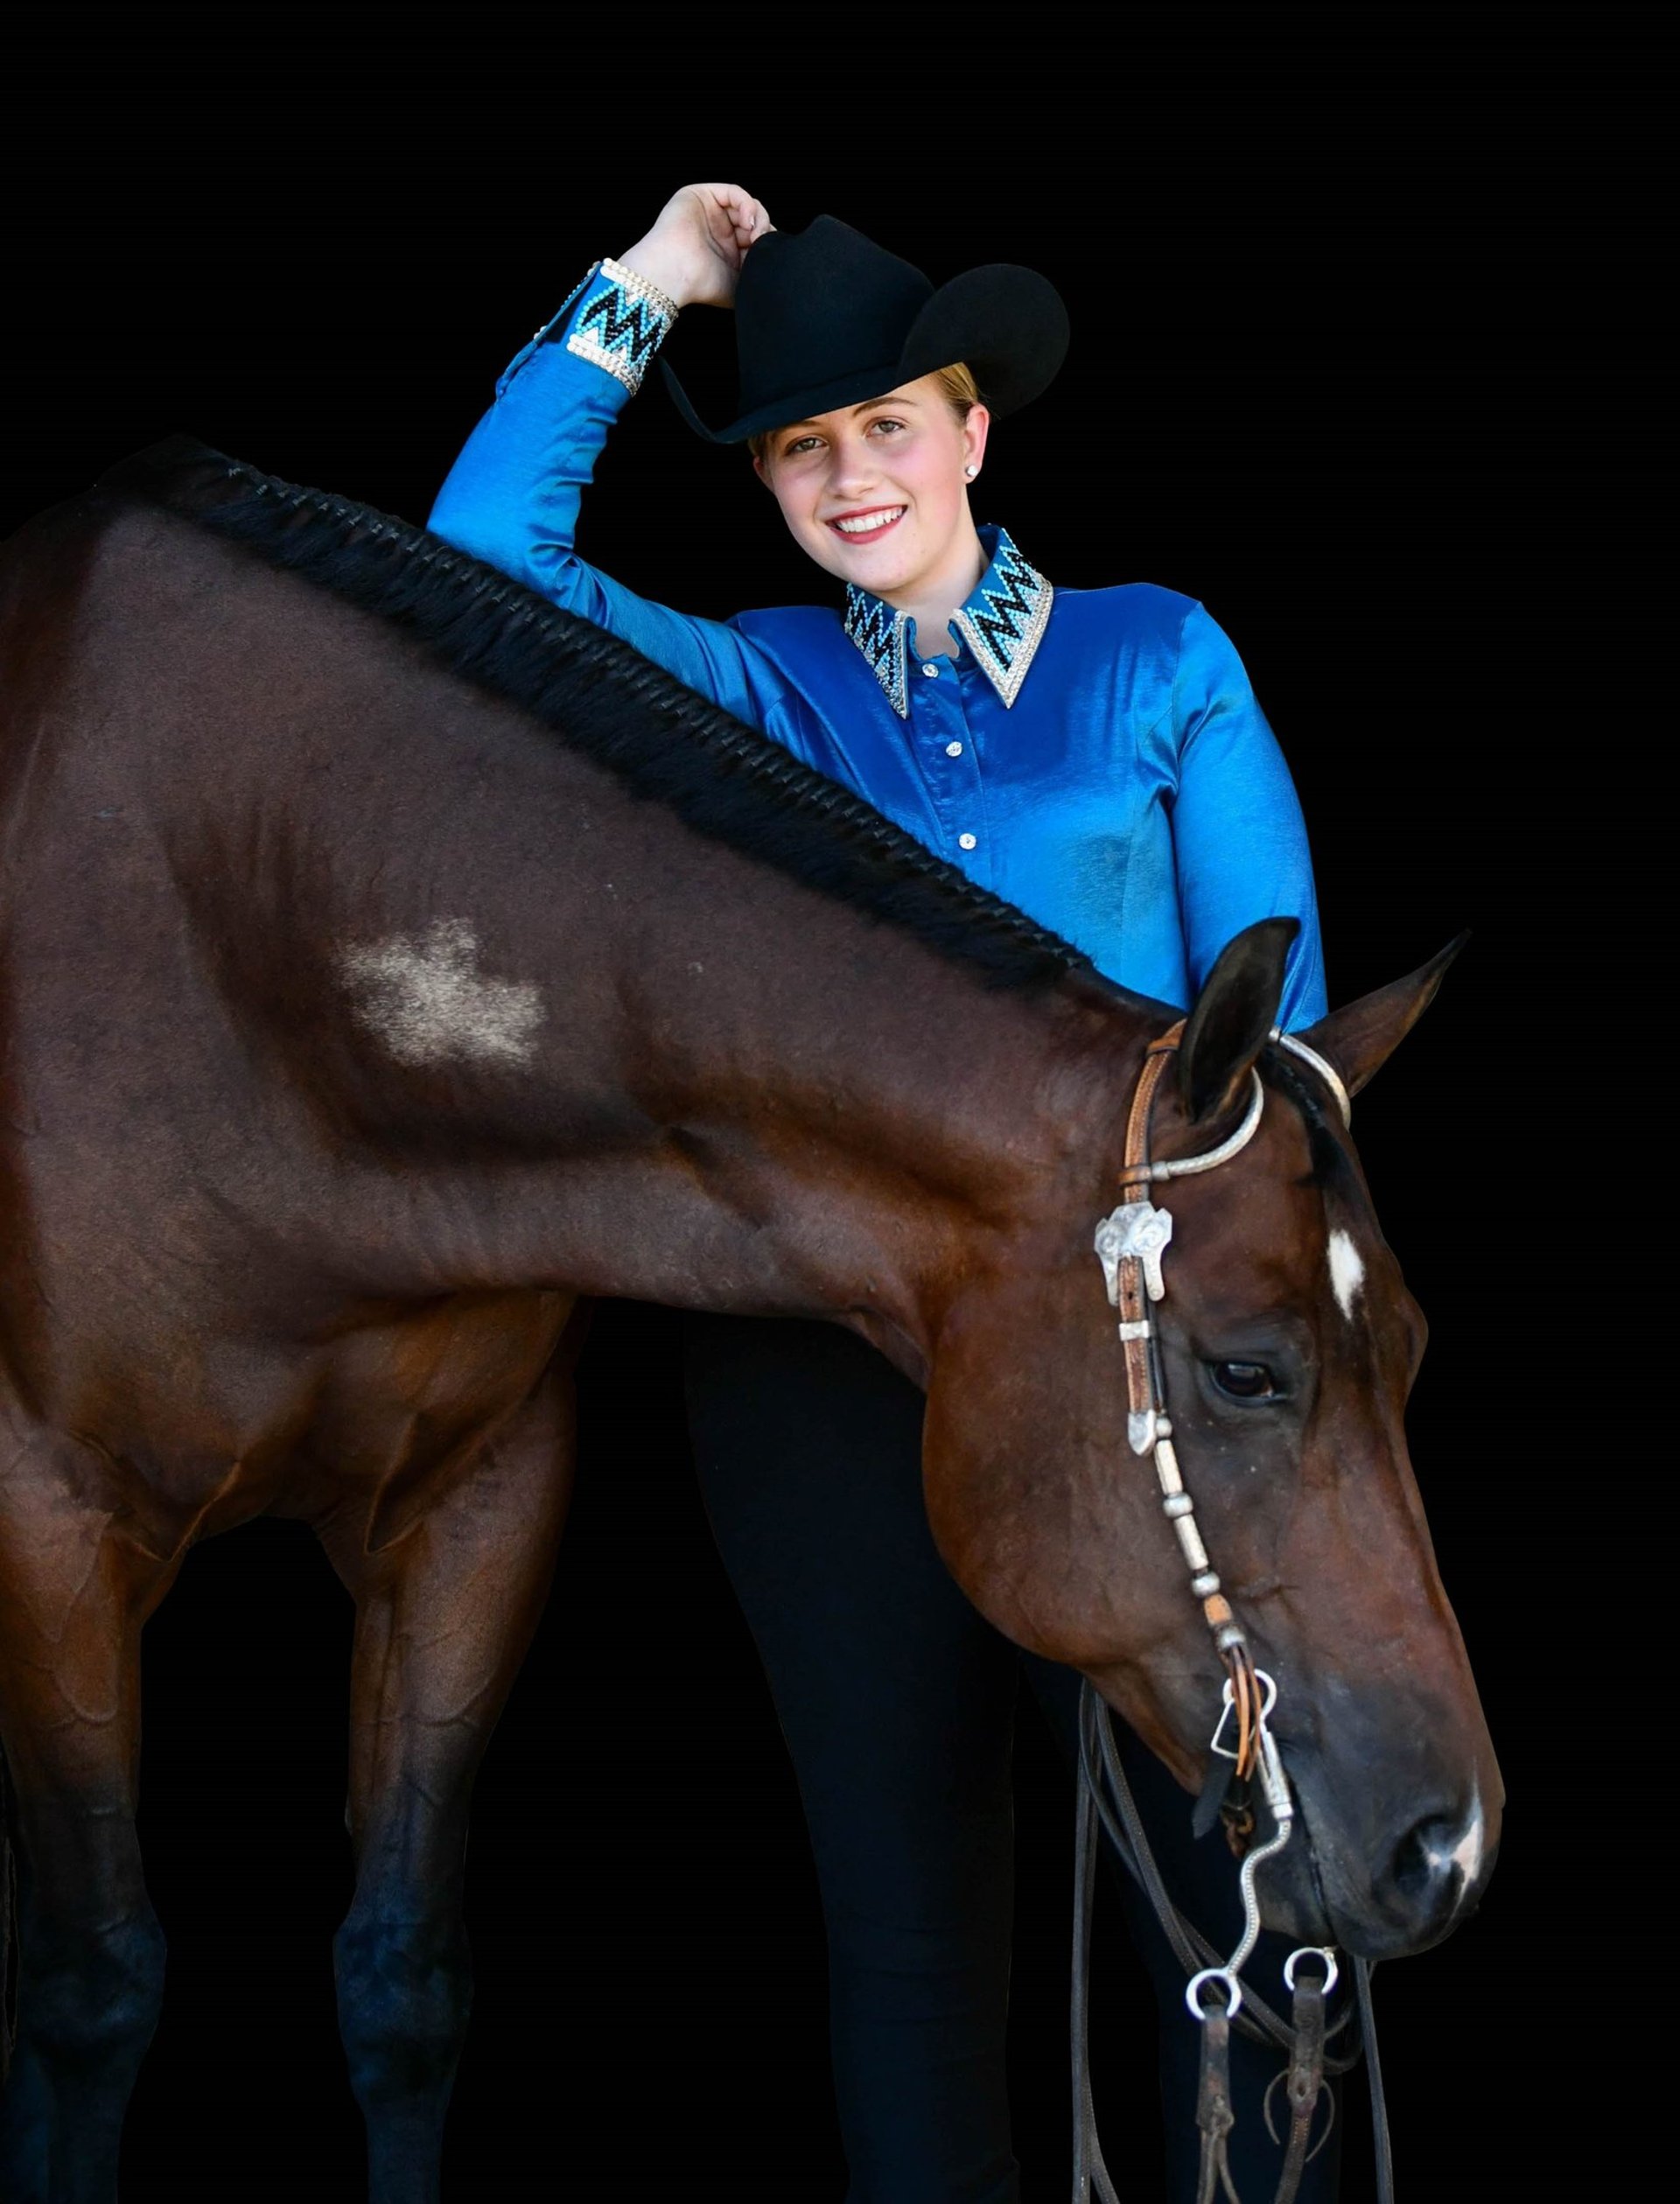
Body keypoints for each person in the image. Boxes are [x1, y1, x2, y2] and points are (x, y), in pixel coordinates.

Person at [430, 182, 1339, 2204]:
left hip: (1133, 1386)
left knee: (1226, 1884)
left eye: (890, 426)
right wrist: (648, 286)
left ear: (976, 430)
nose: (854, 475)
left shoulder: (1154, 661)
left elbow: (1273, 1068)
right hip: (829, 1384)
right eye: (803, 443)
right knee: (907, 1926)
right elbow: (485, 561)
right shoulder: (755, 692)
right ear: (766, 476)